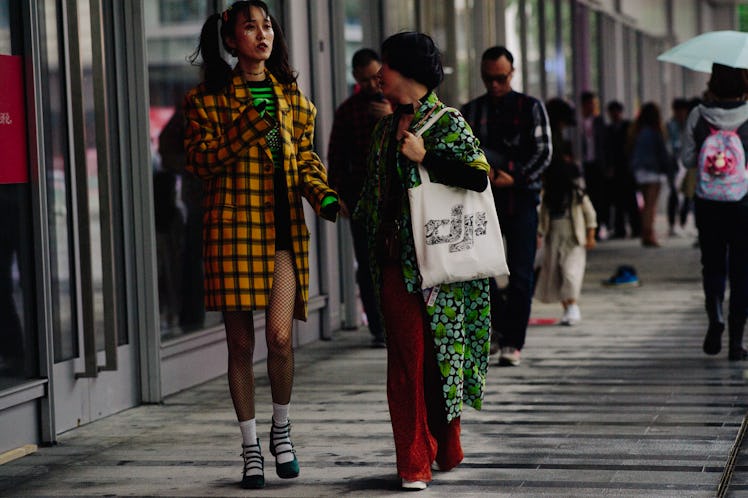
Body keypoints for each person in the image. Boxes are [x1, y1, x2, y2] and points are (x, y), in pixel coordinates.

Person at [183, 1, 339, 489]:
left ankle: (281, 428)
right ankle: (250, 446)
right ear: (231, 40)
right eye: (250, 27)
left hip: (283, 234)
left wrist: (325, 195)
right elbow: (201, 162)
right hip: (231, 233)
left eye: (267, 25)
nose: (262, 34)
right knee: (239, 343)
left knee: (279, 337)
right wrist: (249, 125)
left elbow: (307, 160)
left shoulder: (293, 97)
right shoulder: (205, 100)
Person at [354, 31, 491, 491]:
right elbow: (372, 197)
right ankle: (414, 460)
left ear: (407, 71)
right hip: (395, 263)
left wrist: (426, 156)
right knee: (406, 360)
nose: (378, 74)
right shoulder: (380, 127)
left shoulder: (448, 122)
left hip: (441, 262)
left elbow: (478, 177)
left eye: (386, 65)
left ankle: (445, 442)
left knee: (441, 356)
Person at [461, 46, 552, 367]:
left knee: (521, 274)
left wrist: (513, 176)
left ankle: (513, 340)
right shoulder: (471, 111)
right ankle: (500, 330)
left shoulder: (531, 108)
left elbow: (543, 153)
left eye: (500, 78)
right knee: (481, 269)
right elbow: (461, 152)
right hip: (482, 200)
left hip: (522, 196)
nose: (495, 84)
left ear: (512, 73)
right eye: (488, 78)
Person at [682, 63, 748, 362]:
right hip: (744, 203)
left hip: (708, 202)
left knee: (713, 265)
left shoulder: (698, 114)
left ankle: (715, 317)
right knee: (742, 271)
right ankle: (736, 342)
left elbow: (686, 160)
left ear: (713, 83)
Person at [327, 48, 391, 347]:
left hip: (395, 195)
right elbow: (336, 157)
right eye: (364, 80)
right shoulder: (348, 110)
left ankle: (397, 324)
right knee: (366, 264)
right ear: (355, 78)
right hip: (359, 197)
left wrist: (391, 117)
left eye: (375, 79)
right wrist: (334, 193)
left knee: (396, 261)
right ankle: (378, 328)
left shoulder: (399, 103)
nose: (372, 86)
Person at [537, 98, 597, 325]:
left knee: (569, 272)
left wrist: (590, 232)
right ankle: (569, 307)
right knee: (559, 272)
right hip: (556, 226)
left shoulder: (551, 140)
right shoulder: (558, 144)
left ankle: (571, 305)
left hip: (570, 229)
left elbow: (587, 209)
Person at [628, 102, 669, 248]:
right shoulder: (655, 132)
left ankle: (646, 233)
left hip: (639, 171)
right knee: (650, 206)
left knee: (646, 204)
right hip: (653, 171)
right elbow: (662, 154)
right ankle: (648, 234)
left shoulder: (637, 132)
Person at [604, 100, 641, 239]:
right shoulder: (608, 130)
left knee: (631, 200)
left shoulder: (628, 127)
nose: (614, 115)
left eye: (616, 111)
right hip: (616, 169)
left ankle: (636, 228)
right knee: (618, 201)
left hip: (627, 168)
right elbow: (607, 150)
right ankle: (620, 229)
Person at [580, 91, 609, 240]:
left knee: (600, 196)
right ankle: (592, 227)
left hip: (598, 164)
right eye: (589, 104)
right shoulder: (580, 123)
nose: (592, 107)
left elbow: (605, 144)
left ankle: (600, 225)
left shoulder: (599, 121)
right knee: (589, 195)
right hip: (587, 164)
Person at [665, 98, 690, 236]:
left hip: (686, 163)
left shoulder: (688, 125)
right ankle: (672, 224)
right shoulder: (670, 125)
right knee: (674, 194)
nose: (680, 114)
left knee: (686, 194)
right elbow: (669, 145)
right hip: (674, 163)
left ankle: (682, 223)